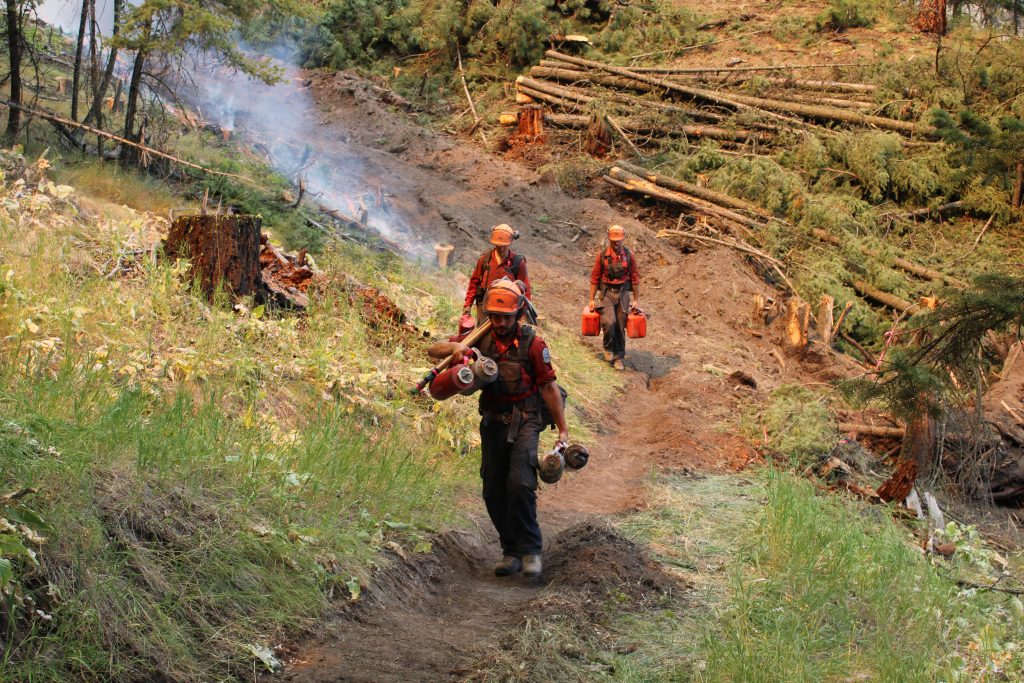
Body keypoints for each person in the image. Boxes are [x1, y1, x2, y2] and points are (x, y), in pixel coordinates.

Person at [429, 279, 568, 578]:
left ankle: (530, 550)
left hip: (526, 419)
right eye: (495, 316)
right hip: (492, 420)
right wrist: (456, 347)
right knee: (493, 489)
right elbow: (433, 349)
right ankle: (511, 551)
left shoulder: (534, 345)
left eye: (506, 317)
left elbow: (549, 389)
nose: (501, 322)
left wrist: (563, 431)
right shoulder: (480, 337)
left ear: (518, 314)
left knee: (520, 483)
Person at [588, 224, 640, 371]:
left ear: (623, 239)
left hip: (623, 293)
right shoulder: (602, 255)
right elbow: (595, 277)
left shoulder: (629, 256)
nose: (616, 243)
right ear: (609, 239)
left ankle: (619, 357)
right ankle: (608, 348)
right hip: (607, 293)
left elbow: (635, 278)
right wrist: (591, 299)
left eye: (619, 240)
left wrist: (635, 300)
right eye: (613, 240)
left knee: (619, 325)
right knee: (609, 322)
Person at [464, 224, 531, 321]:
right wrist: (468, 304)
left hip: (507, 308)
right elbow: (474, 282)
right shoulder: (485, 259)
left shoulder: (518, 262)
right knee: (483, 334)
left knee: (503, 334)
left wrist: (524, 311)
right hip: (485, 306)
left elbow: (525, 288)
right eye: (498, 246)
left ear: (510, 243)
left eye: (504, 246)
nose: (502, 249)